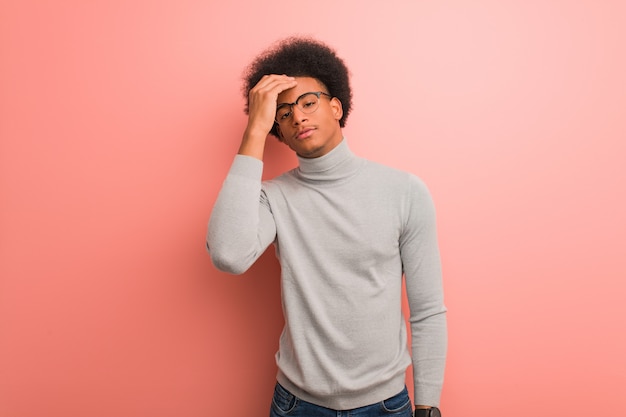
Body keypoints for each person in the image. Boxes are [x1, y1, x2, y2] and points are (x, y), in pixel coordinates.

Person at [207, 36, 447, 417]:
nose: (298, 117)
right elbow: (228, 254)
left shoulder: (404, 191)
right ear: (278, 133)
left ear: (336, 106)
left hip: (386, 405)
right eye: (283, 114)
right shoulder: (274, 198)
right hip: (297, 405)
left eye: (308, 102)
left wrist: (428, 403)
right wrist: (253, 130)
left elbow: (428, 309)